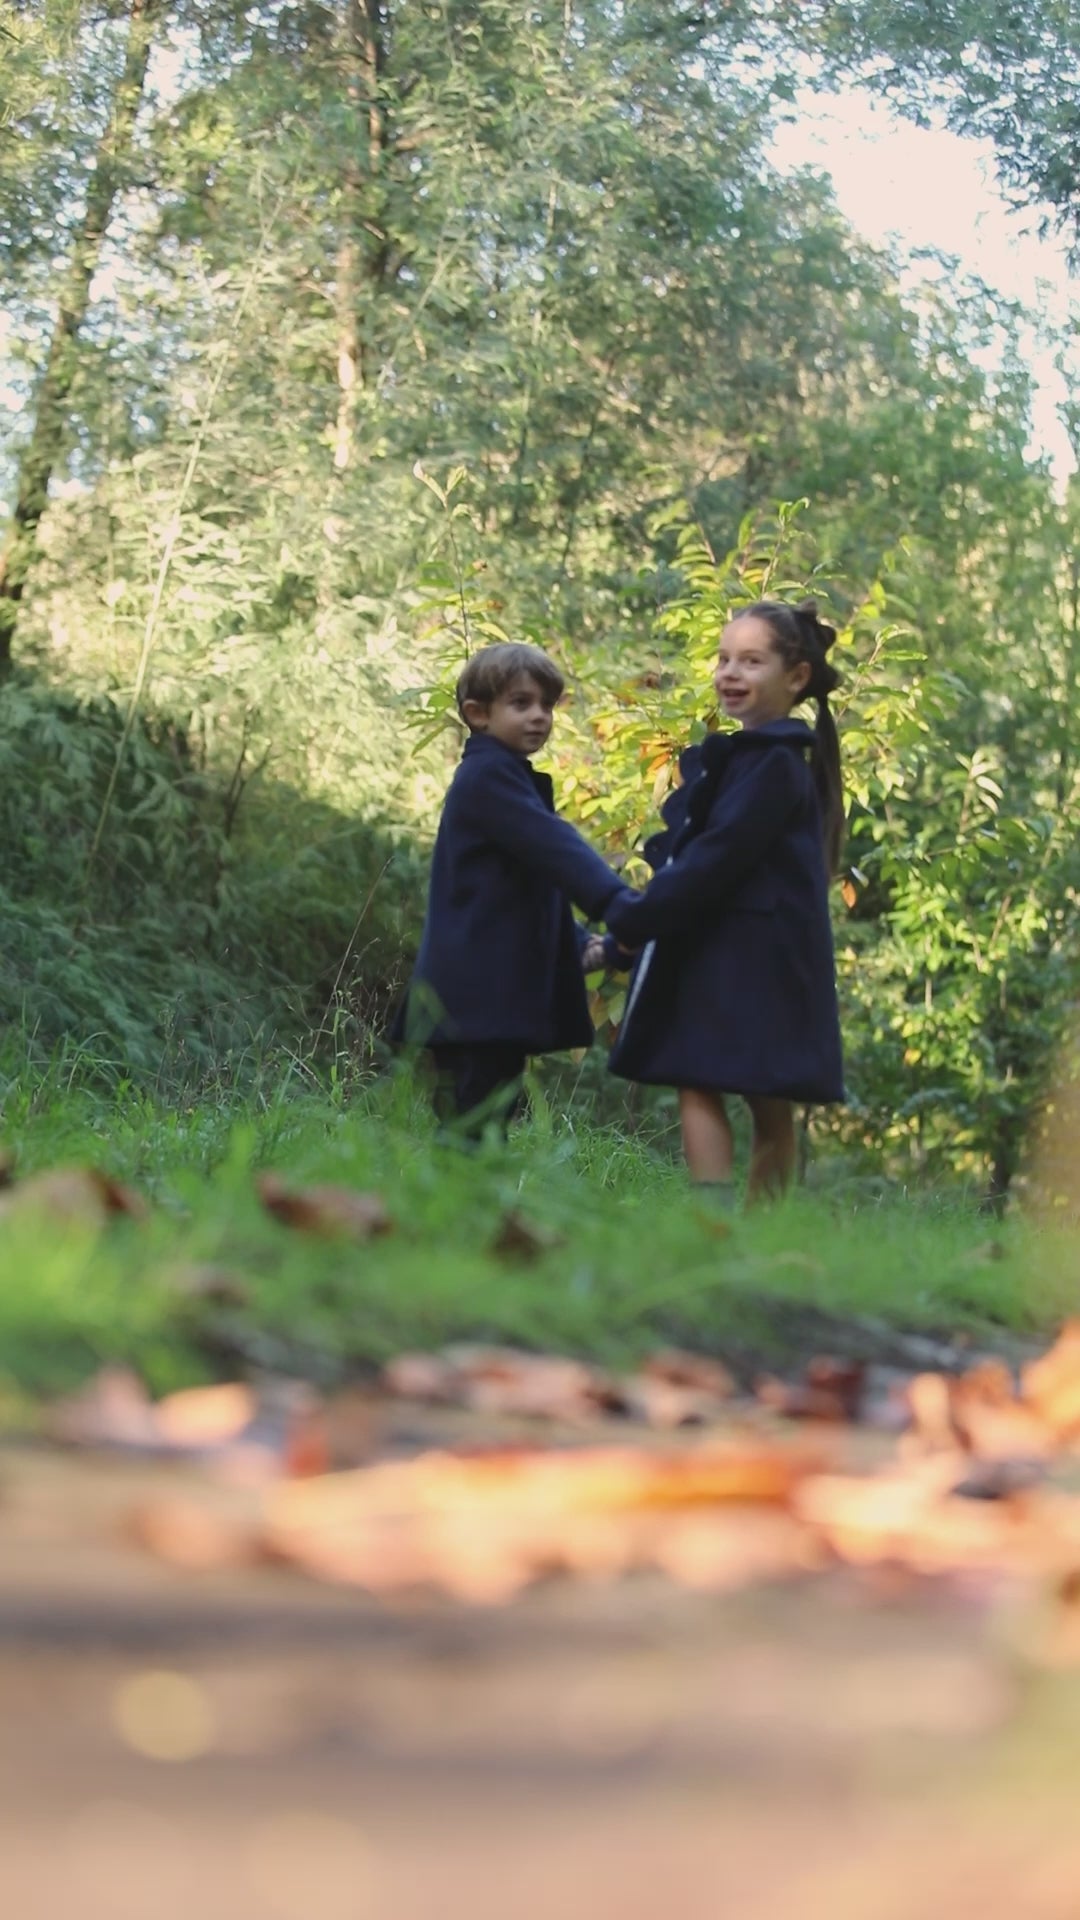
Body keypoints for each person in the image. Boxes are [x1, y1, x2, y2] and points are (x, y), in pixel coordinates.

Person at [602, 599, 845, 1201]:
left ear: (796, 678)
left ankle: (746, 1228)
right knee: (705, 1079)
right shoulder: (751, 759)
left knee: (754, 1092)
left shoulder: (776, 766)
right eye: (724, 658)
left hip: (757, 958)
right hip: (726, 950)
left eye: (751, 661)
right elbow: (706, 858)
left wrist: (636, 915)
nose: (730, 673)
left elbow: (714, 860)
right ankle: (718, 1221)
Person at [394, 640, 634, 1132]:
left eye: (546, 705)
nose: (539, 717)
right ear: (478, 714)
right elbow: (553, 845)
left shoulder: (505, 777)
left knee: (487, 1117)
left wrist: (578, 943)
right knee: (473, 1122)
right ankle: (461, 1207)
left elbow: (519, 889)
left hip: (485, 997)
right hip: (473, 996)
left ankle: (472, 1206)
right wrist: (615, 901)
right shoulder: (487, 778)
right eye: (521, 704)